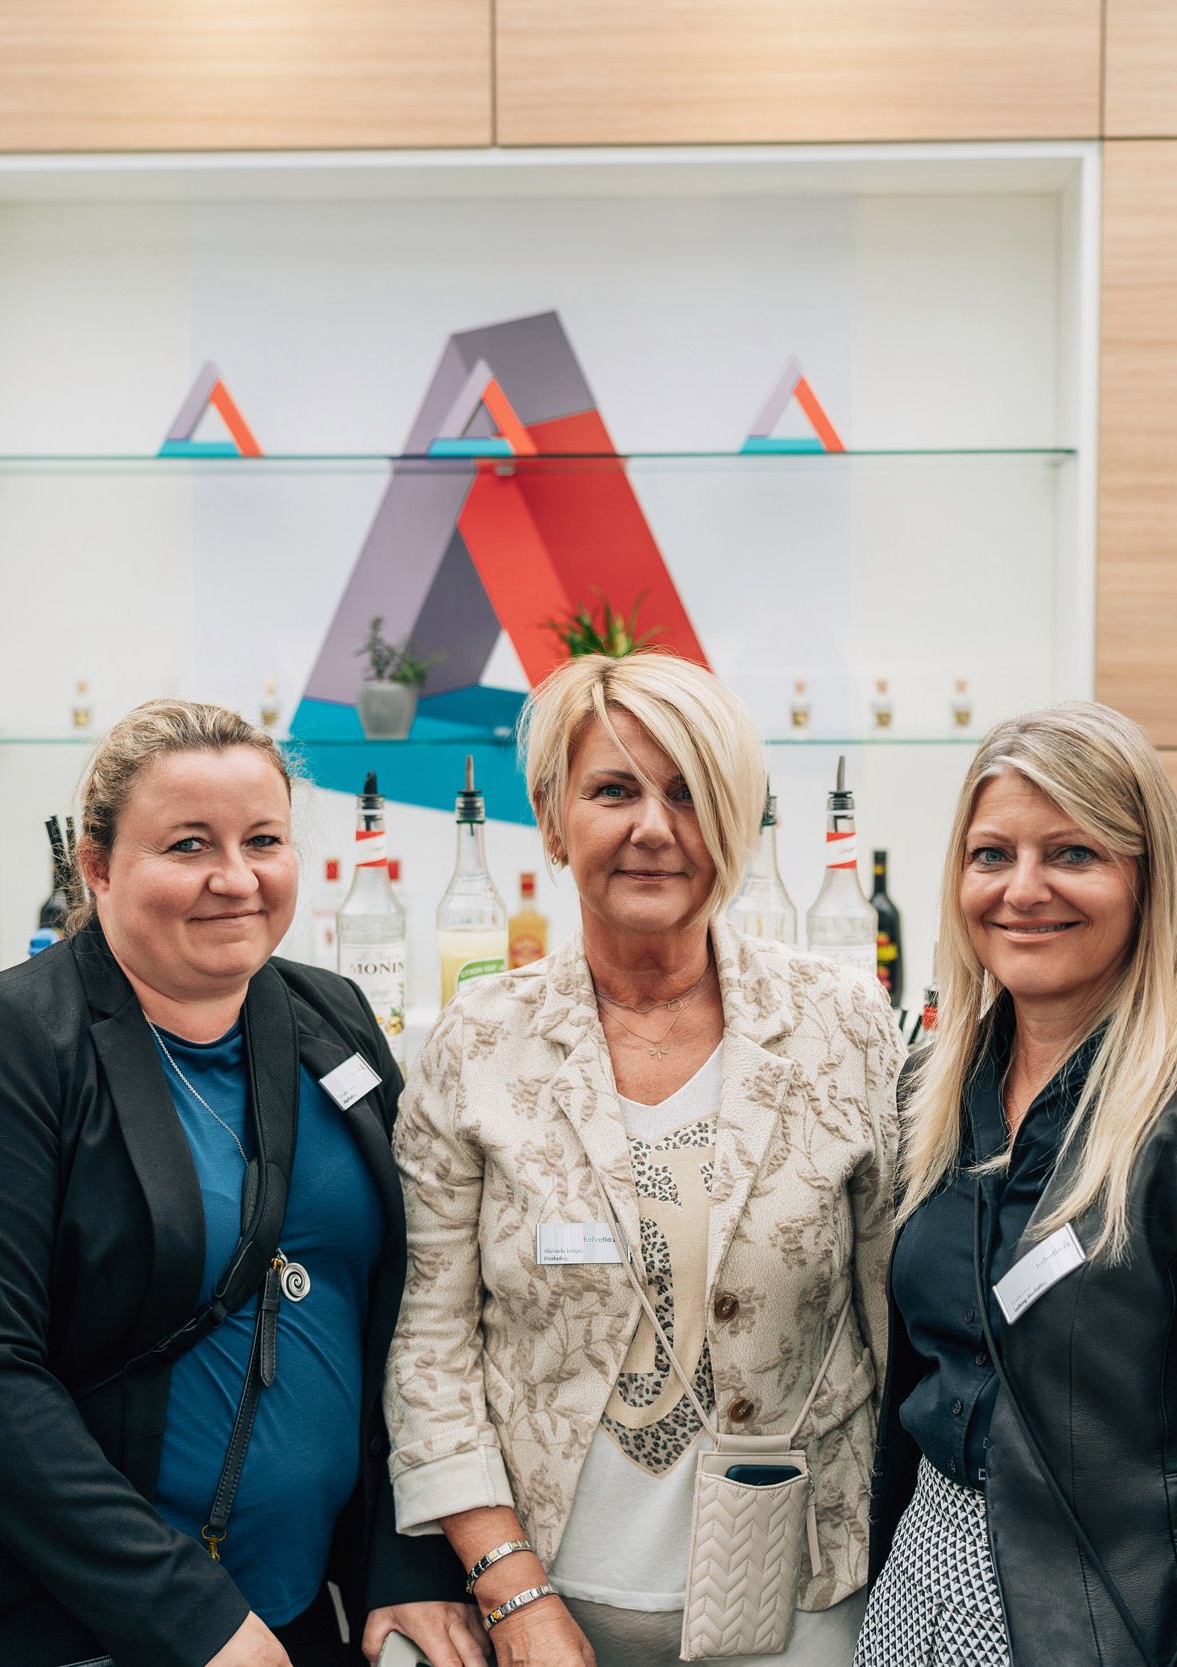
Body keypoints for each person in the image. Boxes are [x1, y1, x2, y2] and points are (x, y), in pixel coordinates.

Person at [0, 700, 473, 1667]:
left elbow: (399, 1318)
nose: (235, 878)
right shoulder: (5, 1044)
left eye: (263, 840)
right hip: (80, 1629)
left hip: (297, 1613)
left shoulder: (332, 1015)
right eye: (188, 844)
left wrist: (401, 1561)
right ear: (98, 865)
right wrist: (188, 1617)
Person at [386, 653, 903, 1667]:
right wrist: (512, 1590)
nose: (654, 827)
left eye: (688, 792)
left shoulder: (843, 1025)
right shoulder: (477, 1041)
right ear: (552, 819)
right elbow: (429, 1343)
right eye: (613, 791)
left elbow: (897, 1316)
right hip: (545, 1600)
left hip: (799, 1596)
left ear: (737, 820)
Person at [858, 702, 1177, 1667]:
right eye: (992, 854)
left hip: (1108, 1622)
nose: (1023, 889)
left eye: (1073, 853)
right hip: (917, 1595)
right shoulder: (934, 1086)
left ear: (1145, 876)